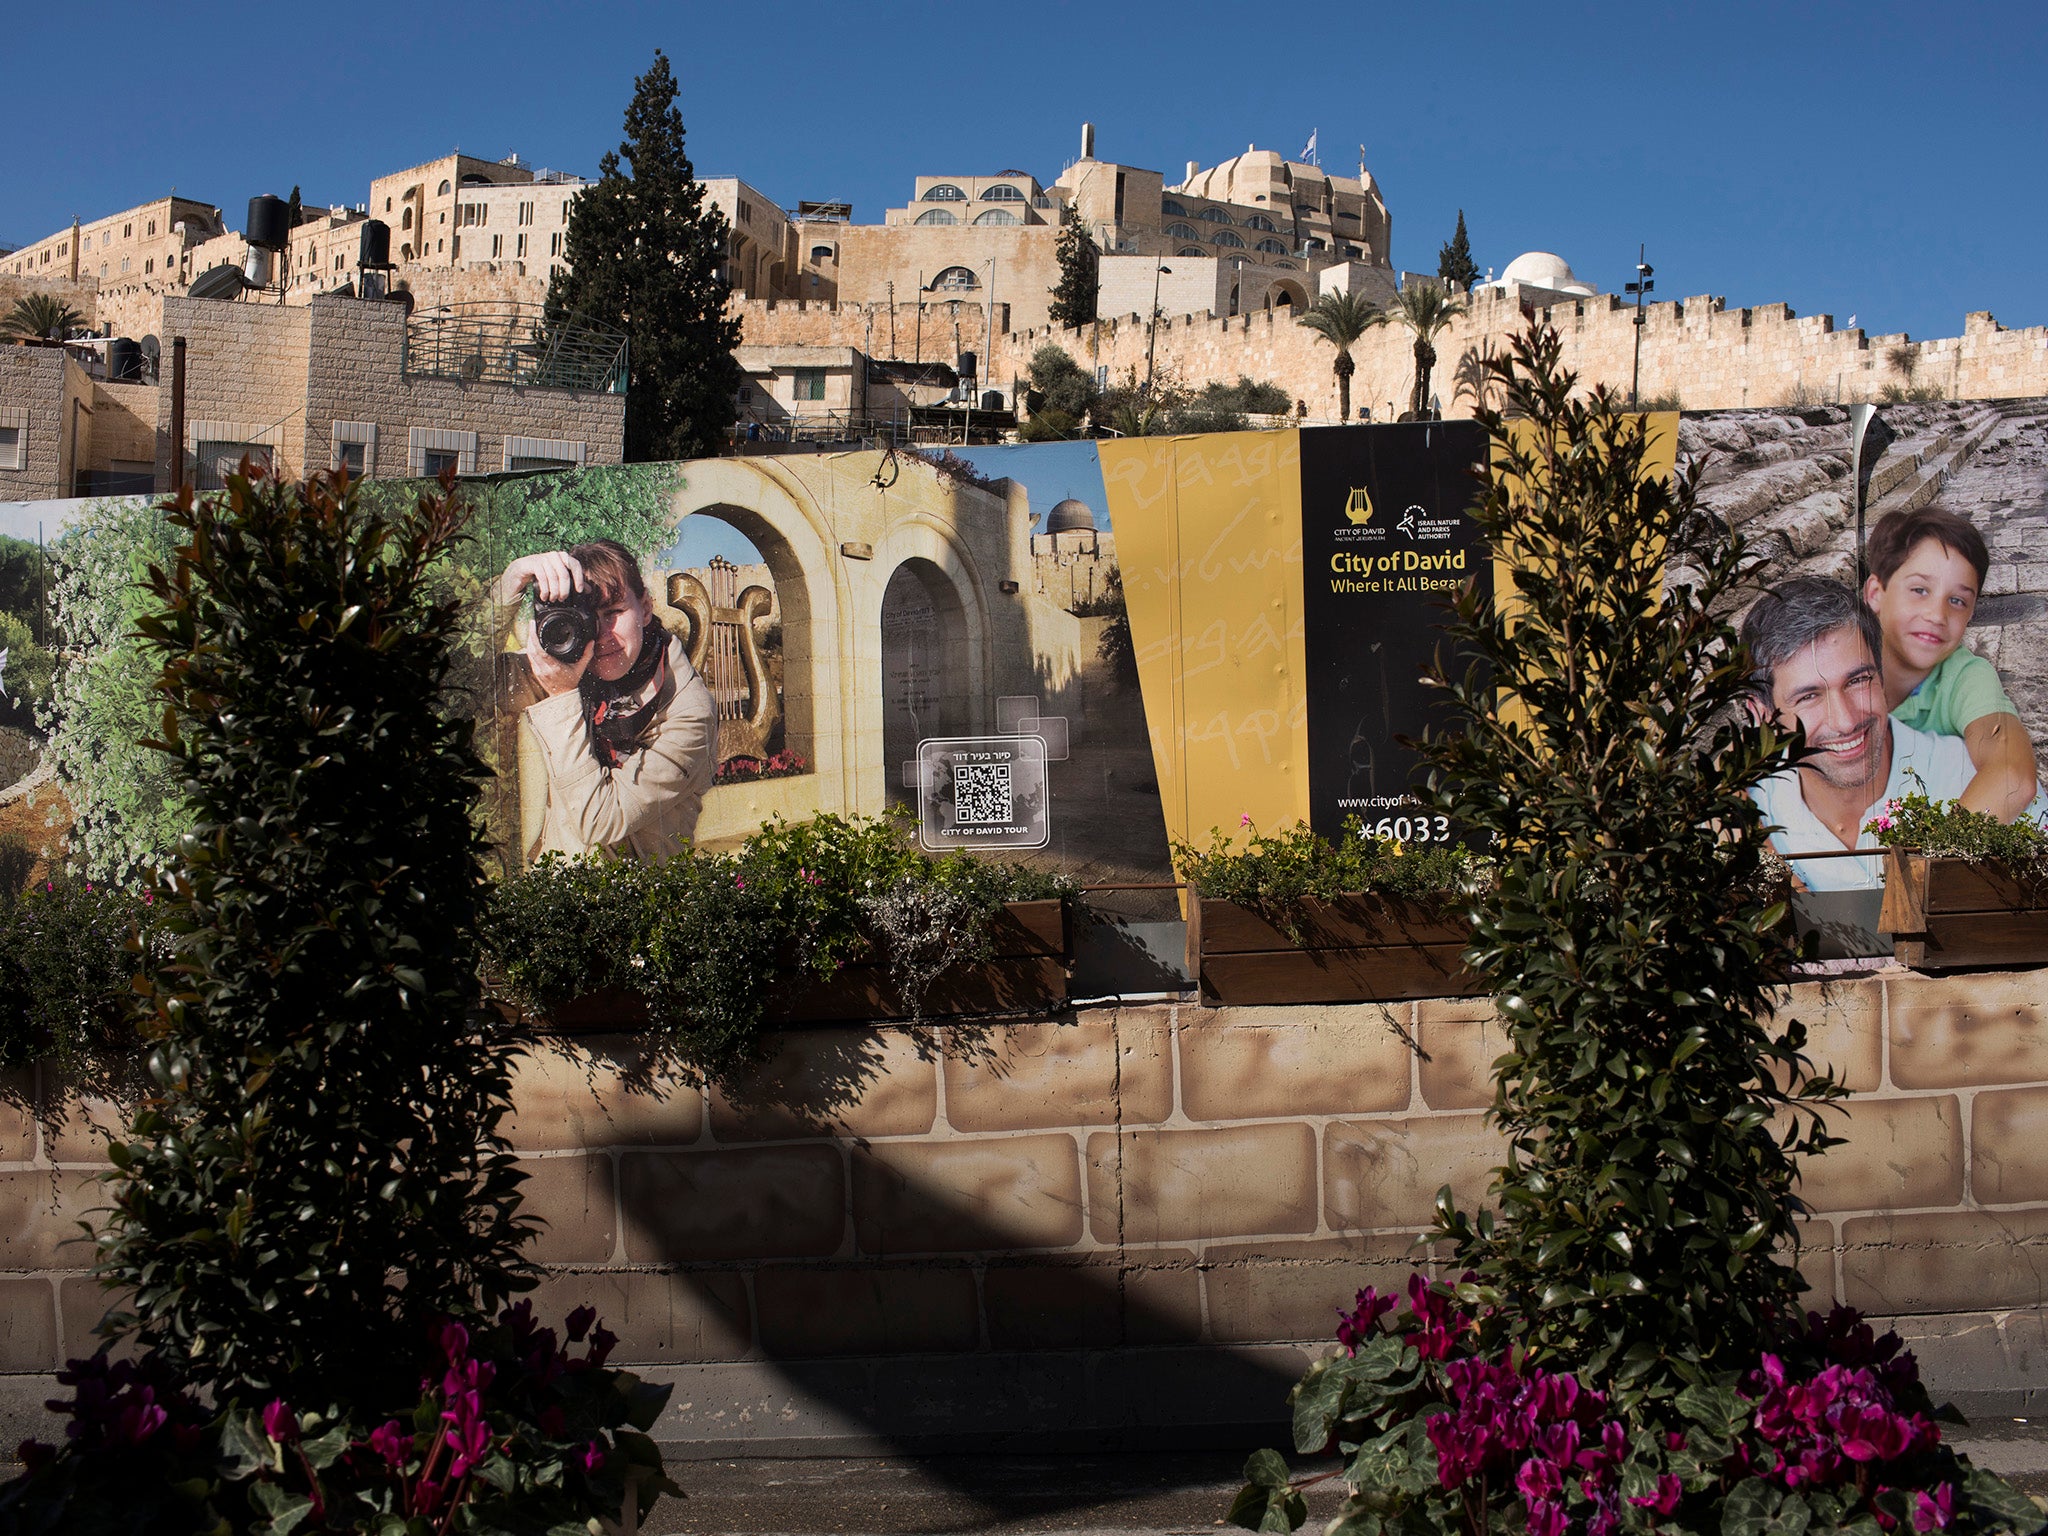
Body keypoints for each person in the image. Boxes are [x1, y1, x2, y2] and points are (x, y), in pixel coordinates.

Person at [1741, 576, 1979, 892]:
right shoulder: (1744, 806)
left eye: (1858, 681)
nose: (1845, 721)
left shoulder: (1970, 776)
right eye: (1808, 697)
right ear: (1761, 714)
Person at [494, 539, 717, 863]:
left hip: (632, 904)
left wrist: (561, 695)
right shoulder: (573, 669)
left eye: (613, 613)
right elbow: (459, 681)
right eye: (586, 617)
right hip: (558, 895)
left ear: (645, 607)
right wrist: (509, 585)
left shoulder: (688, 711)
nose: (600, 635)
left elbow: (600, 821)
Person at [1862, 507, 2039, 820]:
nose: (1937, 615)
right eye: (1919, 590)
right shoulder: (1838, 663)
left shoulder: (1966, 677)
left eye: (1957, 601)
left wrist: (1930, 861)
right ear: (1876, 593)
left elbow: (2013, 774)